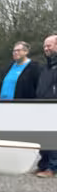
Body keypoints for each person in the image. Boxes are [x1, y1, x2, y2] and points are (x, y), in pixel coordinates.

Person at [34, 34, 57, 176]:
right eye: (44, 46)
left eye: (49, 45)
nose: (46, 48)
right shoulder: (46, 66)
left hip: (54, 106)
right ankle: (43, 164)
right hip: (43, 106)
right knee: (43, 136)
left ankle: (53, 167)